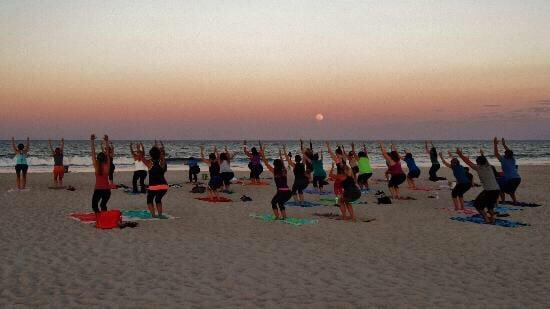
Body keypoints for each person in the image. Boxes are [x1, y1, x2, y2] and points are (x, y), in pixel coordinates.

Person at [457, 148, 500, 224]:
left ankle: (487, 220)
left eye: (477, 163)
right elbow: (485, 160)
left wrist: (460, 154)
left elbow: (468, 162)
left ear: (479, 163)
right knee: (490, 206)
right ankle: (493, 219)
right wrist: (482, 154)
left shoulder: (479, 168)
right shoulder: (489, 167)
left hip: (489, 191)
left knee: (477, 205)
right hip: (496, 190)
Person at [260, 145, 292, 220]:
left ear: (274, 165)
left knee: (273, 203)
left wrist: (263, 154)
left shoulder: (275, 171)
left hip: (281, 192)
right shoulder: (284, 171)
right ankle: (284, 217)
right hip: (288, 192)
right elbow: (283, 165)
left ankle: (277, 217)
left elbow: (266, 163)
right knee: (280, 203)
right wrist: (281, 154)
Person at [142, 142, 169, 218]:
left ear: (151, 155)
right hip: (164, 186)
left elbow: (141, 157)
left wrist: (141, 148)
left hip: (154, 187)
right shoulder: (162, 162)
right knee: (158, 199)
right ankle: (160, 214)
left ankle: (153, 215)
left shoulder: (149, 163)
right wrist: (159, 150)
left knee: (149, 200)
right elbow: (162, 156)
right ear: (159, 154)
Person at [494, 137, 521, 204]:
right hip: (518, 179)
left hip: (510, 179)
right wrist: (504, 144)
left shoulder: (503, 160)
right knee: (511, 191)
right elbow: (509, 152)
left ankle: (503, 202)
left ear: (505, 155)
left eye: (504, 154)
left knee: (500, 189)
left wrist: (495, 144)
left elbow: (496, 154)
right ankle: (515, 201)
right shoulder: (513, 159)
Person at [91, 134, 111, 214]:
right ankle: (104, 217)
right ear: (105, 159)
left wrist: (92, 141)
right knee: (103, 205)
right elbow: (107, 153)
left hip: (98, 190)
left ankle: (99, 217)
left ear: (98, 159)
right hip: (107, 190)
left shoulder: (96, 166)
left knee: (94, 206)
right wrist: (106, 141)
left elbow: (93, 153)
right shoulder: (107, 165)